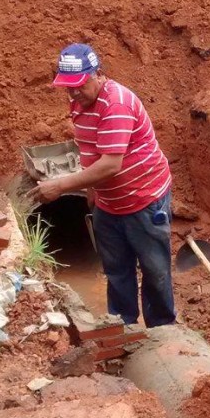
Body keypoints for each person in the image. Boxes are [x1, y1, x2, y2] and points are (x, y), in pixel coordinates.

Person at [30, 44, 176, 327]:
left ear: (97, 74)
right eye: (68, 88)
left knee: (154, 270)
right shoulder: (79, 101)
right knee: (117, 270)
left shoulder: (116, 104)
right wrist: (91, 189)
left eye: (79, 86)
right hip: (110, 204)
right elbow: (88, 146)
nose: (72, 93)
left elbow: (111, 164)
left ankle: (163, 332)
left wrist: (61, 186)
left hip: (144, 200)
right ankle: (122, 328)